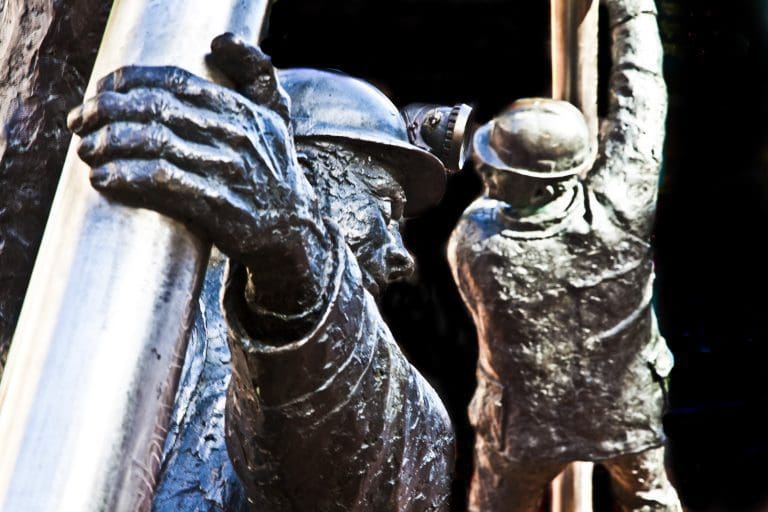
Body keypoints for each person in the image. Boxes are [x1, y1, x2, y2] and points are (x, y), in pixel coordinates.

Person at [68, 34, 455, 511]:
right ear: (300, 172)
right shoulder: (104, 292)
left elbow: (362, 477)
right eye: (383, 207)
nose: (403, 258)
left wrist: (295, 246)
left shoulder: (409, 415)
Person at [447, 1, 682, 510]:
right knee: (650, 499)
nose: (485, 173)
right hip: (625, 412)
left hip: (527, 428)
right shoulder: (623, 205)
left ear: (542, 187)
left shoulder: (477, 241)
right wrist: (633, 7)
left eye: (498, 167)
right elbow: (642, 93)